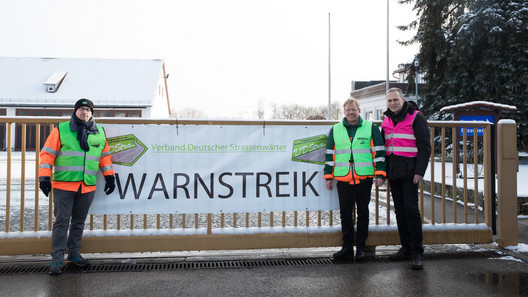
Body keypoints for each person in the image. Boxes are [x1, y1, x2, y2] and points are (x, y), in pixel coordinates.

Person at [39, 98, 115, 276]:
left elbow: (104, 157)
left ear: (92, 113)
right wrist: (44, 178)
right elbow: (47, 155)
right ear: (75, 111)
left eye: (88, 110)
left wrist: (109, 176)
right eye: (81, 109)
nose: (85, 112)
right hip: (64, 184)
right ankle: (57, 259)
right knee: (61, 222)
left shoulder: (99, 132)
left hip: (86, 185)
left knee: (78, 222)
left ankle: (74, 254)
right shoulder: (61, 129)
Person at [324, 97, 386, 261]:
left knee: (363, 213)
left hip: (364, 178)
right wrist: (328, 176)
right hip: (343, 179)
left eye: (353, 109)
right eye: (348, 110)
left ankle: (361, 247)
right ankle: (347, 248)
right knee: (345, 215)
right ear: (343, 112)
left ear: (359, 111)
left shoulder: (370, 127)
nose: (351, 112)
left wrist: (380, 174)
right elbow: (330, 155)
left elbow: (379, 152)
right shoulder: (336, 129)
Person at [381, 88, 431, 270]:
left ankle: (417, 251)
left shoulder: (416, 117)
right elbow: (384, 146)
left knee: (411, 210)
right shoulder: (386, 119)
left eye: (395, 100)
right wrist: (383, 172)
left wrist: (420, 171)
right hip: (394, 170)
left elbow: (425, 147)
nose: (392, 103)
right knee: (400, 210)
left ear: (402, 99)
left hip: (410, 171)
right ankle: (406, 247)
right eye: (389, 101)